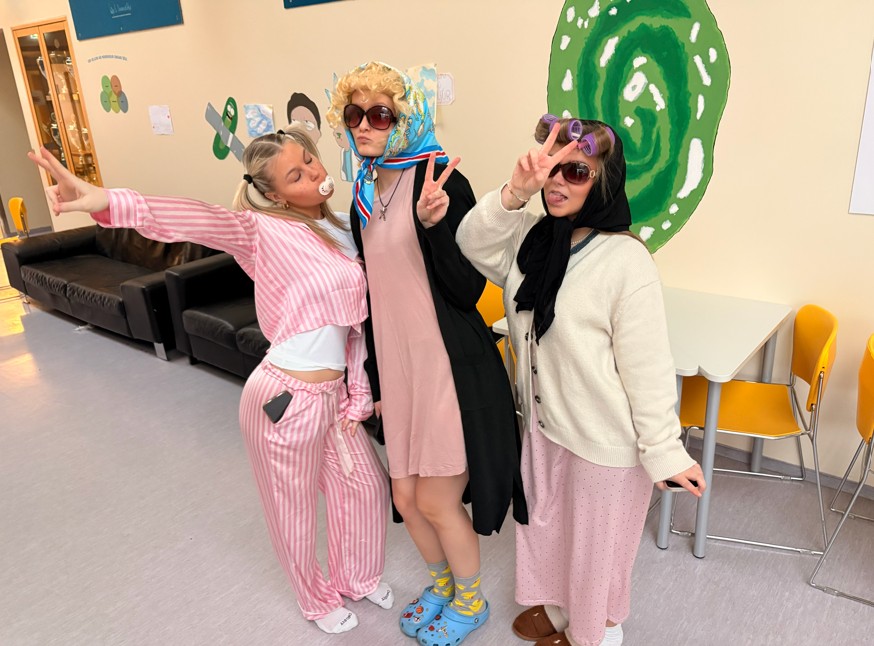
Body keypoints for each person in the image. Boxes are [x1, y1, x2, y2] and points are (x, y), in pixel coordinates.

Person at [26, 125, 393, 636]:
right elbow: (199, 217)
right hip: (285, 398)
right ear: (273, 194)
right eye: (295, 174)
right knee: (292, 511)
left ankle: (357, 576)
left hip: (334, 397)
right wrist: (106, 200)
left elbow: (352, 326)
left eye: (309, 160)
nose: (313, 172)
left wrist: (359, 394)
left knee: (365, 488)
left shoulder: (340, 228)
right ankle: (315, 599)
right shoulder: (261, 230)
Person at [455, 115, 706, 646]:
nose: (557, 182)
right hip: (545, 424)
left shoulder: (626, 261)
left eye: (576, 172)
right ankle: (560, 609)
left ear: (604, 182)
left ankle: (599, 631)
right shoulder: (533, 238)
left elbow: (647, 367)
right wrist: (515, 191)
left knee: (597, 551)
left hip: (603, 440)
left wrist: (665, 449)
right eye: (552, 168)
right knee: (548, 528)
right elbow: (471, 243)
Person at [326, 61, 527, 645]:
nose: (364, 126)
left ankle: (471, 600)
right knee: (406, 497)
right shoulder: (364, 190)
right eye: (354, 114)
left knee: (438, 499)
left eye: (380, 114)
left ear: (405, 118)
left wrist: (435, 226)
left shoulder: (439, 179)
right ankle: (442, 586)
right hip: (398, 369)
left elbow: (466, 291)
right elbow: (372, 297)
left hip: (445, 366)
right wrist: (374, 379)